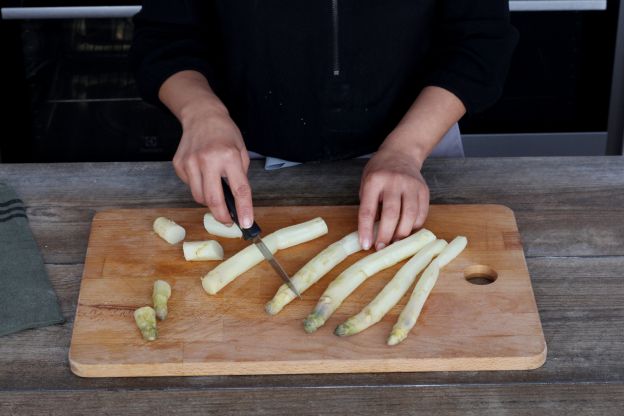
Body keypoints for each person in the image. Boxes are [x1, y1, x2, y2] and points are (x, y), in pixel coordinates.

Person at [130, 1, 517, 251]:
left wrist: (406, 150)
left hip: (419, 152)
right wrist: (200, 113)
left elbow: (481, 43)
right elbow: (166, 36)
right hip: (240, 158)